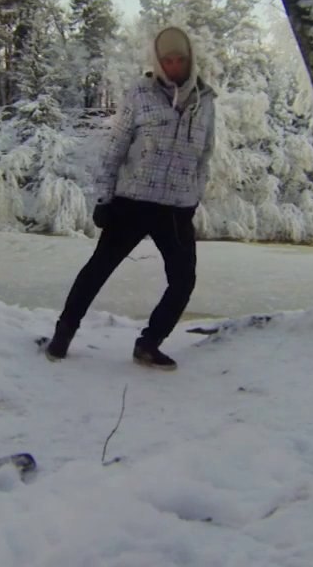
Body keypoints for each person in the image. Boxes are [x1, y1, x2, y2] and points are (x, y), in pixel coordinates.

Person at [45, 26, 217, 370]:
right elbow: (115, 149)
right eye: (166, 60)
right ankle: (63, 334)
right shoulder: (140, 94)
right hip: (133, 202)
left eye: (179, 59)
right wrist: (103, 199)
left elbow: (205, 153)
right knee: (98, 270)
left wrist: (194, 194)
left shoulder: (205, 101)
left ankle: (149, 343)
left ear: (190, 60)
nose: (173, 66)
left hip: (177, 207)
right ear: (157, 61)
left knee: (184, 281)